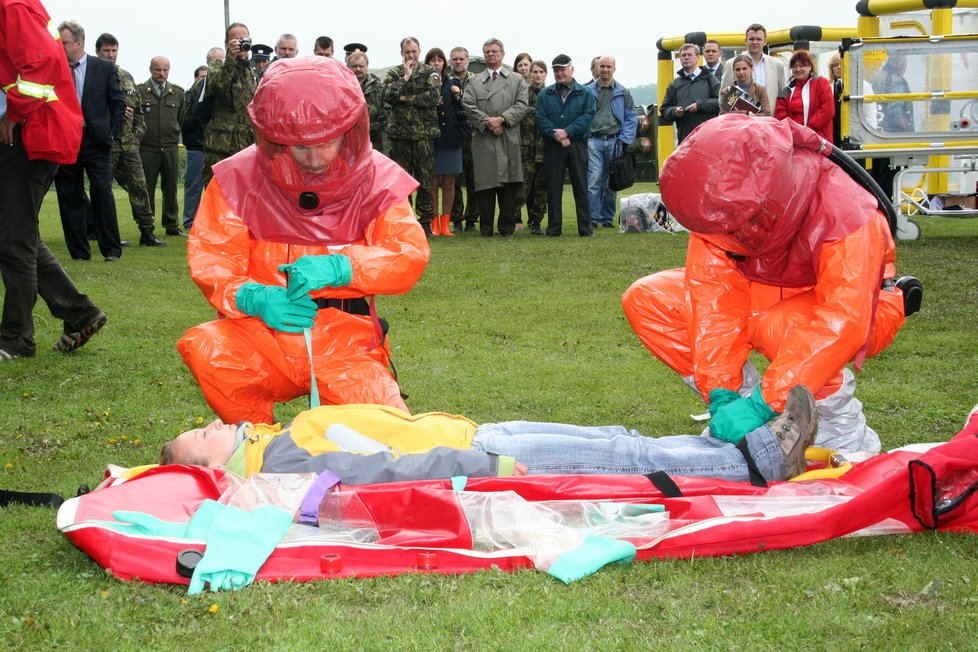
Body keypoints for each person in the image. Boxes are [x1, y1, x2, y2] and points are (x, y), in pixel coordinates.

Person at [622, 114, 914, 455]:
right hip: (768, 289)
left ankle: (843, 435)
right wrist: (721, 392)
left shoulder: (846, 210)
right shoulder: (718, 213)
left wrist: (767, 401)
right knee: (649, 299)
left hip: (868, 306)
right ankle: (756, 418)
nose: (724, 238)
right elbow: (713, 302)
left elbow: (842, 321)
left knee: (782, 325)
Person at [177, 57, 429, 425]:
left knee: (390, 438)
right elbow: (212, 257)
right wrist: (254, 297)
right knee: (208, 348)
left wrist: (344, 267)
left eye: (326, 143)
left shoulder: (377, 179)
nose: (314, 158)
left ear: (350, 130)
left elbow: (408, 254)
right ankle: (257, 448)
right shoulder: (237, 180)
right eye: (298, 147)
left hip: (345, 344)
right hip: (262, 333)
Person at [160, 385, 819, 485]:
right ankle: (759, 460)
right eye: (201, 434)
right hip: (487, 454)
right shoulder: (280, 461)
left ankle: (740, 450)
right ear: (211, 468)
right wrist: (482, 464)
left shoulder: (277, 437)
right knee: (621, 456)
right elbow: (386, 471)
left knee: (617, 438)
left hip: (481, 433)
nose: (212, 421)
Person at [1, 0, 107, 361]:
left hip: (28, 134)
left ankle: (16, 339)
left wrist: (13, 114)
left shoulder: (11, 6)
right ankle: (78, 313)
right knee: (17, 232)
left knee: (14, 238)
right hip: (29, 133)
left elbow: (41, 64)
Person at [52, 19, 126, 262]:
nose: (59, 47)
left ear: (79, 42)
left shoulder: (103, 68)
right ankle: (79, 252)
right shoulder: (55, 68)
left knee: (102, 193)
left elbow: (117, 103)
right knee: (69, 194)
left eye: (63, 43)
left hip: (95, 140)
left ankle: (111, 250)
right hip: (65, 140)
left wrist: (110, 133)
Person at [93, 33, 165, 247]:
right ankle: (106, 235)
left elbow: (140, 113)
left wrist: (136, 137)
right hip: (105, 144)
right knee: (103, 191)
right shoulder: (93, 75)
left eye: (114, 50)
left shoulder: (126, 77)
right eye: (106, 50)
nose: (111, 55)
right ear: (98, 52)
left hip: (128, 144)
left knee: (140, 188)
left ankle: (147, 233)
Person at [461, 38, 528, 238]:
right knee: (485, 184)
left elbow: (522, 105)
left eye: (494, 51)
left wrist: (503, 120)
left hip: (508, 137)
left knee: (509, 184)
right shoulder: (473, 81)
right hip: (484, 138)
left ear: (502, 54)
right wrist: (487, 122)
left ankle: (506, 228)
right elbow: (468, 105)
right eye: (487, 52)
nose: (490, 55)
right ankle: (486, 228)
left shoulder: (516, 79)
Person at [382, 37, 440, 237]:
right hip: (400, 136)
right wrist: (405, 79)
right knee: (401, 182)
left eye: (414, 51)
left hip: (424, 136)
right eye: (407, 52)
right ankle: (404, 222)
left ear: (419, 51)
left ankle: (425, 223)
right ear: (402, 54)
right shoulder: (395, 73)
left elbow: (432, 97)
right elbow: (387, 95)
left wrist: (405, 98)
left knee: (424, 181)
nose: (411, 56)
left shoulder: (429, 73)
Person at [535, 54, 595, 237]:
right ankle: (554, 228)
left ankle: (585, 228)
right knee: (553, 188)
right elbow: (540, 117)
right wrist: (557, 135)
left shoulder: (585, 93)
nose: (560, 73)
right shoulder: (545, 94)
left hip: (577, 144)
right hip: (553, 145)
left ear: (572, 70)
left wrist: (568, 131)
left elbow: (588, 116)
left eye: (563, 69)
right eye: (556, 70)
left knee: (581, 187)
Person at [585, 55, 638, 229]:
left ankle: (607, 218)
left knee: (611, 182)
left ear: (614, 68)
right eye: (602, 66)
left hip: (615, 141)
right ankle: (592, 217)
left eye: (608, 66)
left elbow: (631, 117)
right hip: (594, 140)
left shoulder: (623, 92)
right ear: (596, 69)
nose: (605, 69)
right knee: (593, 180)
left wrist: (625, 139)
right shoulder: (588, 91)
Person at [201, 22, 257, 185]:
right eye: (236, 40)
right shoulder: (218, 65)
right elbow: (218, 87)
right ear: (227, 43)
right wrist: (231, 59)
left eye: (244, 39)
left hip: (246, 143)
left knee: (245, 193)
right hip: (222, 144)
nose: (241, 43)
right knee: (218, 194)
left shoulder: (251, 71)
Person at [138, 56, 186, 236]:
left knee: (171, 187)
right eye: (158, 70)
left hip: (170, 147)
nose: (161, 73)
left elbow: (181, 119)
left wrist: (173, 135)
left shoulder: (178, 93)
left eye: (165, 70)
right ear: (151, 70)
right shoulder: (141, 92)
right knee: (147, 188)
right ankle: (147, 226)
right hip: (147, 148)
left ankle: (171, 224)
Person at [181, 50, 223, 230]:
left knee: (218, 187)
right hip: (197, 145)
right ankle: (190, 221)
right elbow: (187, 115)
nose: (215, 64)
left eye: (219, 60)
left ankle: (216, 221)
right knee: (194, 184)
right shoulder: (196, 89)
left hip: (220, 145)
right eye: (212, 61)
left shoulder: (227, 86)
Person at [425, 47, 463, 237]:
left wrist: (458, 95)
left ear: (444, 63)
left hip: (450, 137)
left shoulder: (453, 83)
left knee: (449, 182)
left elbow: (463, 109)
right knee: (432, 182)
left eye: (440, 60)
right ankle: (433, 223)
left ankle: (445, 224)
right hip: (430, 138)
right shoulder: (423, 83)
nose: (436, 63)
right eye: (433, 60)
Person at [660, 43, 720, 145]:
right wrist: (675, 111)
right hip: (685, 139)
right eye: (683, 55)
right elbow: (664, 110)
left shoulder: (710, 79)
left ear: (697, 57)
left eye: (689, 55)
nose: (686, 58)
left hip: (708, 137)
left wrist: (699, 105)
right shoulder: (675, 84)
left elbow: (720, 102)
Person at [514, 56, 547, 236]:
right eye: (535, 71)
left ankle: (536, 222)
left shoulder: (550, 94)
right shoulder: (523, 94)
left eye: (541, 72)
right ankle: (512, 220)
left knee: (541, 190)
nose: (537, 75)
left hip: (544, 149)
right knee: (521, 188)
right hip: (525, 149)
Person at [720, 23, 788, 107]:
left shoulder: (777, 65)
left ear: (765, 41)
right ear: (746, 41)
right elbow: (723, 98)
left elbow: (783, 96)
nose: (755, 42)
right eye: (751, 39)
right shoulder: (731, 64)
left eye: (759, 39)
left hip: (769, 118)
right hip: (741, 119)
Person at [448, 46, 478, 232]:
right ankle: (456, 219)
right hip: (453, 136)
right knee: (454, 181)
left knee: (474, 179)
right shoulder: (445, 80)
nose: (458, 62)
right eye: (455, 59)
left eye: (461, 59)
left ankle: (472, 219)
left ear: (467, 61)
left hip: (474, 136)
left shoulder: (477, 81)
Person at [774, 50, 834, 143]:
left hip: (820, 140)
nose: (798, 69)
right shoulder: (785, 92)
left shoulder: (822, 83)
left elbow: (828, 110)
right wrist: (798, 132)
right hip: (796, 142)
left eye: (802, 65)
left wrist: (808, 129)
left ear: (810, 67)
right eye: (794, 66)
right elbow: (781, 117)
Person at [346, 51, 386, 154]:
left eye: (361, 66)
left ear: (367, 66)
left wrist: (365, 130)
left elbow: (385, 115)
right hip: (348, 141)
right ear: (348, 67)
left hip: (373, 140)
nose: (358, 69)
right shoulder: (343, 86)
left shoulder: (378, 87)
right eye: (354, 66)